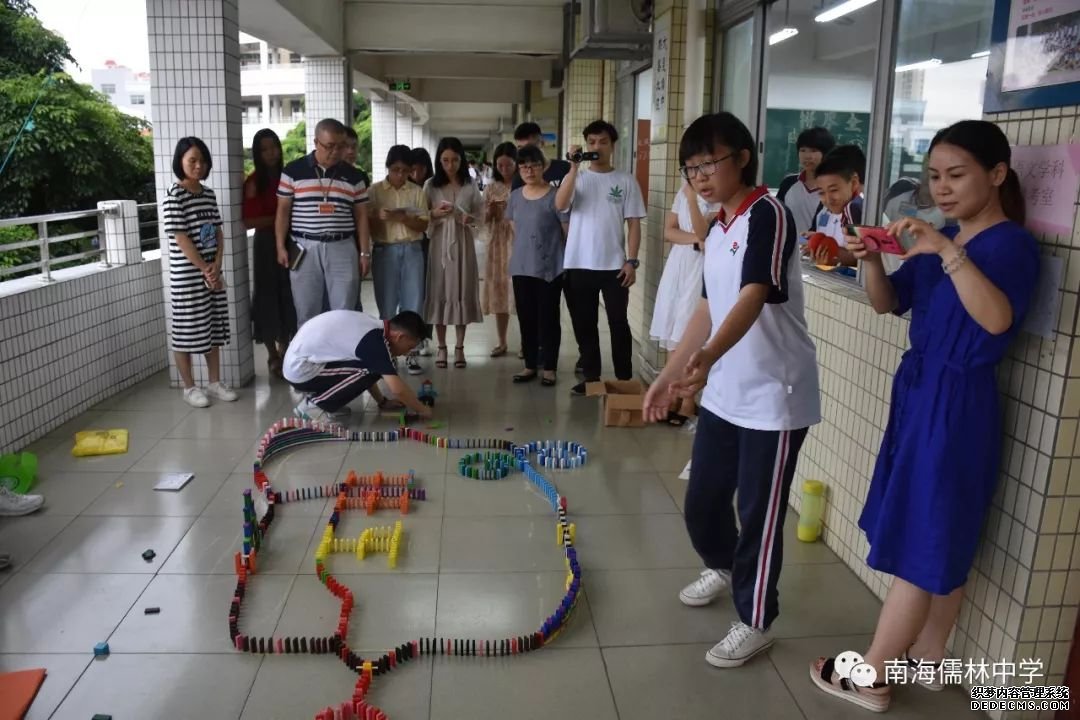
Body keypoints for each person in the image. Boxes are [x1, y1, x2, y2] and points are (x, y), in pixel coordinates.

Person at [810, 120, 1039, 713]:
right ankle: (931, 659)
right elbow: (887, 304)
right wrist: (874, 260)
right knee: (941, 529)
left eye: (956, 175)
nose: (941, 188)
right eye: (935, 175)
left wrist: (946, 251)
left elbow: (995, 321)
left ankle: (871, 674)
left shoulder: (1009, 244)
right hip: (921, 391)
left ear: (996, 174)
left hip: (958, 401)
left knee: (922, 532)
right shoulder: (941, 237)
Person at [642, 112, 820, 669]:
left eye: (708, 163)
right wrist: (672, 374)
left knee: (759, 513)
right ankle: (720, 565)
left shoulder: (769, 213)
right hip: (724, 393)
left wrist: (707, 358)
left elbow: (754, 293)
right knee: (703, 500)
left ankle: (755, 619)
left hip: (775, 394)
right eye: (690, 167)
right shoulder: (716, 228)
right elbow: (705, 307)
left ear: (741, 157)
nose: (699, 175)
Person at [555, 120, 646, 395]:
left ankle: (624, 379)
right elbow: (560, 204)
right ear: (585, 145)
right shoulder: (577, 178)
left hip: (614, 266)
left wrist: (632, 261)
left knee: (618, 323)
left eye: (603, 142)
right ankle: (592, 379)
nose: (597, 147)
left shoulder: (626, 180)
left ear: (612, 145)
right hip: (579, 263)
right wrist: (573, 167)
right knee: (585, 325)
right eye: (591, 142)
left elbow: (633, 224)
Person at [163, 137, 240, 408]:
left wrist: (217, 264)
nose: (198, 165)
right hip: (188, 275)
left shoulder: (208, 194)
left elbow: (218, 231)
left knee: (214, 326)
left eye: (201, 160)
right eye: (192, 160)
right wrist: (204, 269)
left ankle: (215, 382)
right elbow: (181, 238)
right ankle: (189, 387)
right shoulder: (174, 196)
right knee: (186, 329)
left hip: (212, 272)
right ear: (180, 162)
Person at [275, 118, 372, 327]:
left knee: (344, 311)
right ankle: (311, 359)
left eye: (341, 146)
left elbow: (362, 216)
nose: (336, 152)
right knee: (306, 311)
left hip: (342, 247)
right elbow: (283, 211)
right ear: (316, 142)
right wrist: (280, 246)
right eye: (330, 146)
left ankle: (341, 358)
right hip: (304, 248)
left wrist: (365, 252)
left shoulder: (355, 176)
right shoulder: (293, 171)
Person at [649, 181, 719, 426]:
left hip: (701, 268)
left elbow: (704, 232)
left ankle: (688, 402)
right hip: (679, 263)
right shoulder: (683, 191)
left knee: (688, 330)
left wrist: (691, 200)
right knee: (672, 326)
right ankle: (673, 395)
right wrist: (694, 241)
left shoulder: (718, 197)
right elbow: (669, 231)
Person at [286, 309, 433, 423]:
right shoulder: (374, 341)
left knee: (373, 367)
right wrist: (422, 409)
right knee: (370, 369)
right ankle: (313, 408)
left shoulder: (375, 328)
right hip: (301, 369)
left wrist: (382, 402)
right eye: (409, 347)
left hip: (304, 361)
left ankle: (324, 400)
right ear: (400, 337)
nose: (406, 353)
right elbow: (397, 389)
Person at [507, 144, 568, 387]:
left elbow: (566, 231)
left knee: (549, 318)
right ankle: (530, 364)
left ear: (543, 167)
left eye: (533, 165)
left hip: (550, 267)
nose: (529, 170)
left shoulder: (555, 195)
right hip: (522, 267)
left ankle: (550, 368)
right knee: (526, 317)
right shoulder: (515, 197)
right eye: (523, 166)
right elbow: (515, 230)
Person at [368, 144, 430, 375]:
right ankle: (387, 355)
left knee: (413, 303)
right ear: (388, 167)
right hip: (385, 250)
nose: (400, 175)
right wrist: (377, 216)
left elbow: (423, 225)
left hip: (412, 249)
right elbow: (366, 224)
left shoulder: (416, 192)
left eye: (405, 171)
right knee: (386, 303)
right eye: (396, 170)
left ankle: (412, 355)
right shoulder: (374, 192)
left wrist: (402, 217)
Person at [423, 136, 484, 369]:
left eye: (455, 160)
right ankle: (441, 346)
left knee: (461, 289)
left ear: (462, 160)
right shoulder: (431, 185)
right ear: (439, 160)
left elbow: (481, 214)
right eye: (446, 160)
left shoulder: (470, 185)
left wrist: (470, 219)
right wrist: (435, 214)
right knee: (439, 289)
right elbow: (421, 216)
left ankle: (459, 347)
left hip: (463, 243)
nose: (450, 165)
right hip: (439, 243)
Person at [244, 129, 295, 378]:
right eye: (264, 149)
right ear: (258, 153)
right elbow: (248, 221)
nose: (271, 153)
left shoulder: (290, 177)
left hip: (291, 241)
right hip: (265, 245)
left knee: (289, 294)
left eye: (273, 146)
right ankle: (272, 354)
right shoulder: (253, 183)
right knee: (266, 296)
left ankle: (285, 351)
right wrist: (280, 218)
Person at [482, 142, 517, 357]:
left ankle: (527, 344)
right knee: (500, 290)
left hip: (518, 240)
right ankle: (502, 341)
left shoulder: (524, 185)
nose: (504, 169)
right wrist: (490, 209)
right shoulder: (491, 188)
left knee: (520, 292)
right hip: (498, 243)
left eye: (508, 165)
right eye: (500, 165)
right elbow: (483, 220)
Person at [806, 145, 865, 268]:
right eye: (821, 192)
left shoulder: (855, 207)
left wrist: (831, 252)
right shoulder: (825, 209)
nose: (828, 199)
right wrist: (816, 242)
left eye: (834, 190)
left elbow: (864, 256)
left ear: (854, 182)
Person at [776, 127, 835, 233]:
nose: (807, 156)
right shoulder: (788, 183)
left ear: (826, 153)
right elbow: (777, 216)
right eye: (803, 150)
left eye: (813, 151)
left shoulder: (833, 189)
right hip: (789, 247)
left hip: (818, 246)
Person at [410, 147, 437, 358]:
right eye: (413, 169)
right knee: (410, 294)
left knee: (426, 292)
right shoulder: (402, 187)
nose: (416, 174)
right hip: (408, 244)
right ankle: (409, 335)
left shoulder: (432, 186)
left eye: (422, 169)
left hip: (428, 244)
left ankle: (426, 336)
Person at [511, 122, 572, 190]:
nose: (525, 153)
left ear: (542, 143)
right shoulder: (519, 177)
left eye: (529, 147)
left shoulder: (565, 168)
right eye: (520, 148)